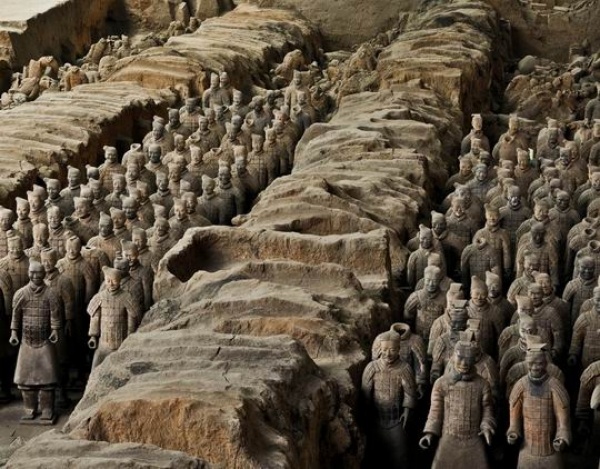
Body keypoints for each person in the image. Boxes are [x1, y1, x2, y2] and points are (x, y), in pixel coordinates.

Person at [9, 261, 61, 422]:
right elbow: (16, 316)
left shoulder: (51, 294)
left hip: (44, 341)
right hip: (27, 341)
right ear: (28, 273)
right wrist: (13, 333)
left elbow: (55, 314)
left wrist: (55, 330)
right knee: (25, 381)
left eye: (38, 272)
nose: (35, 276)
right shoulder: (21, 294)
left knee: (47, 380)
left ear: (44, 274)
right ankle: (29, 409)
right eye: (32, 272)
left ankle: (47, 409)